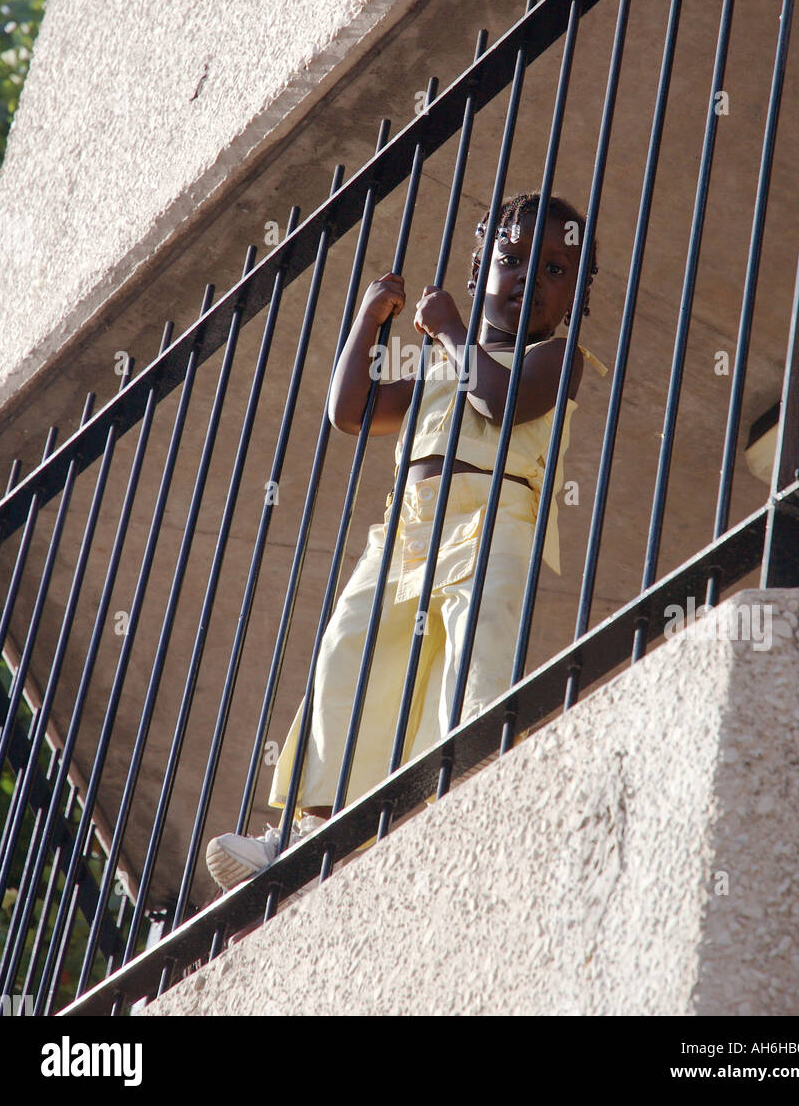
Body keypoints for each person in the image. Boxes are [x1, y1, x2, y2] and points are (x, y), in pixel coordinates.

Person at [206, 191, 604, 890]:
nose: (528, 281)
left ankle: (454, 805)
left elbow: (503, 404)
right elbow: (352, 411)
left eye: (553, 270)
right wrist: (370, 319)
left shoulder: (557, 358)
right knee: (350, 648)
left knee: (471, 661)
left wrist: (452, 331)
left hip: (493, 520)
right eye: (511, 262)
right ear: (480, 267)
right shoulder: (436, 364)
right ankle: (314, 828)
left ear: (576, 295)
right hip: (407, 526)